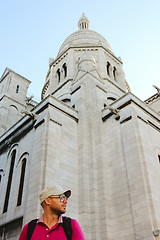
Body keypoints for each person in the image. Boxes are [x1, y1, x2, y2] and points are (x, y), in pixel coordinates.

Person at [18, 186, 85, 239]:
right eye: (61, 197)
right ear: (47, 201)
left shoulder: (72, 225)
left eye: (65, 198)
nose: (65, 201)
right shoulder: (29, 228)